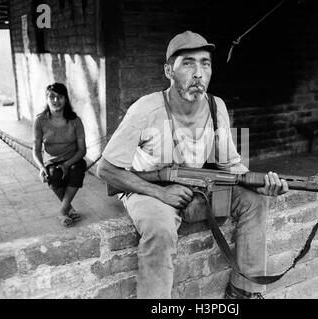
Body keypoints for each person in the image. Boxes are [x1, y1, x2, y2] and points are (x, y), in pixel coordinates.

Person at [97, 31, 289, 299]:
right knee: (160, 230)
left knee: (255, 200)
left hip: (195, 183)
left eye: (205, 63)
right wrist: (160, 192)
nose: (198, 73)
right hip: (148, 188)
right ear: (168, 70)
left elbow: (231, 165)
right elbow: (105, 169)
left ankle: (244, 291)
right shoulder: (146, 109)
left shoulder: (216, 106)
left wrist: (260, 182)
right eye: (188, 63)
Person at [32, 83, 87, 227]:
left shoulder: (75, 121)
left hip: (73, 158)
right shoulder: (40, 121)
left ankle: (62, 212)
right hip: (52, 161)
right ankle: (68, 208)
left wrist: (67, 164)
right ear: (46, 99)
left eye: (60, 97)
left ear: (66, 99)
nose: (56, 100)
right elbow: (36, 149)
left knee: (77, 170)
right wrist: (41, 167)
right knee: (53, 176)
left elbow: (82, 150)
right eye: (52, 97)